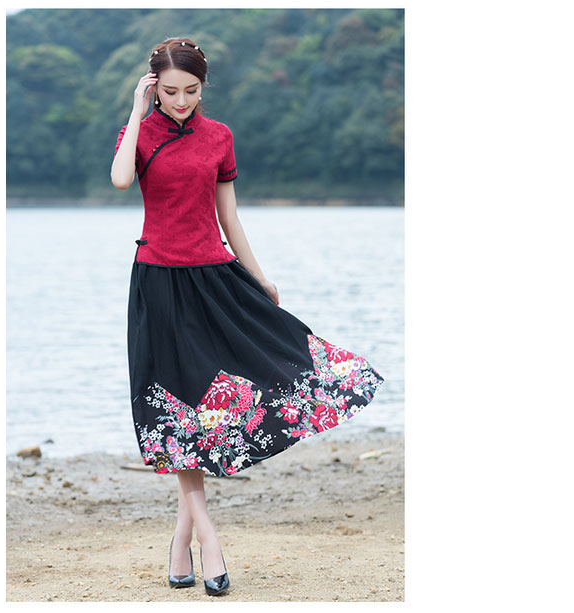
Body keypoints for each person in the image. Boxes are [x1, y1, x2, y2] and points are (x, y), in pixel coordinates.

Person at [110, 37, 385, 597]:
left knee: (252, 383)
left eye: (191, 91)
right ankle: (207, 541)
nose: (181, 101)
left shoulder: (219, 136)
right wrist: (137, 112)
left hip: (217, 280)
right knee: (177, 410)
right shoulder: (140, 132)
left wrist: (259, 276)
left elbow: (229, 218)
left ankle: (181, 540)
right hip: (159, 284)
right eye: (169, 91)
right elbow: (119, 179)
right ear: (153, 87)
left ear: (203, 87)